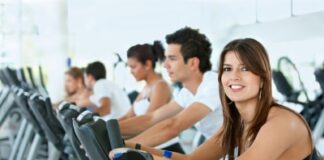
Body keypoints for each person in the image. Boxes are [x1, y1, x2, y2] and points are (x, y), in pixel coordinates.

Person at [111, 38, 320, 160]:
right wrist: (131, 147)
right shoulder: (237, 124)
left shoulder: (281, 124)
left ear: (263, 77)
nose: (234, 77)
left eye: (245, 68)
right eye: (227, 69)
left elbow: (172, 126)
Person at [118, 27, 223, 150]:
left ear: (193, 63)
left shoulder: (213, 85)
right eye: (166, 58)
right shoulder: (186, 93)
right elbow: (151, 118)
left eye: (172, 59)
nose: (165, 64)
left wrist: (124, 146)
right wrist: (107, 129)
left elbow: (173, 127)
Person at [119, 41, 185, 152]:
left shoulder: (160, 86)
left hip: (166, 149)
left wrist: (112, 133)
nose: (130, 71)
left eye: (133, 67)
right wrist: (104, 126)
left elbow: (147, 122)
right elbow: (127, 117)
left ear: (148, 64)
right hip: (149, 150)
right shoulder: (145, 88)